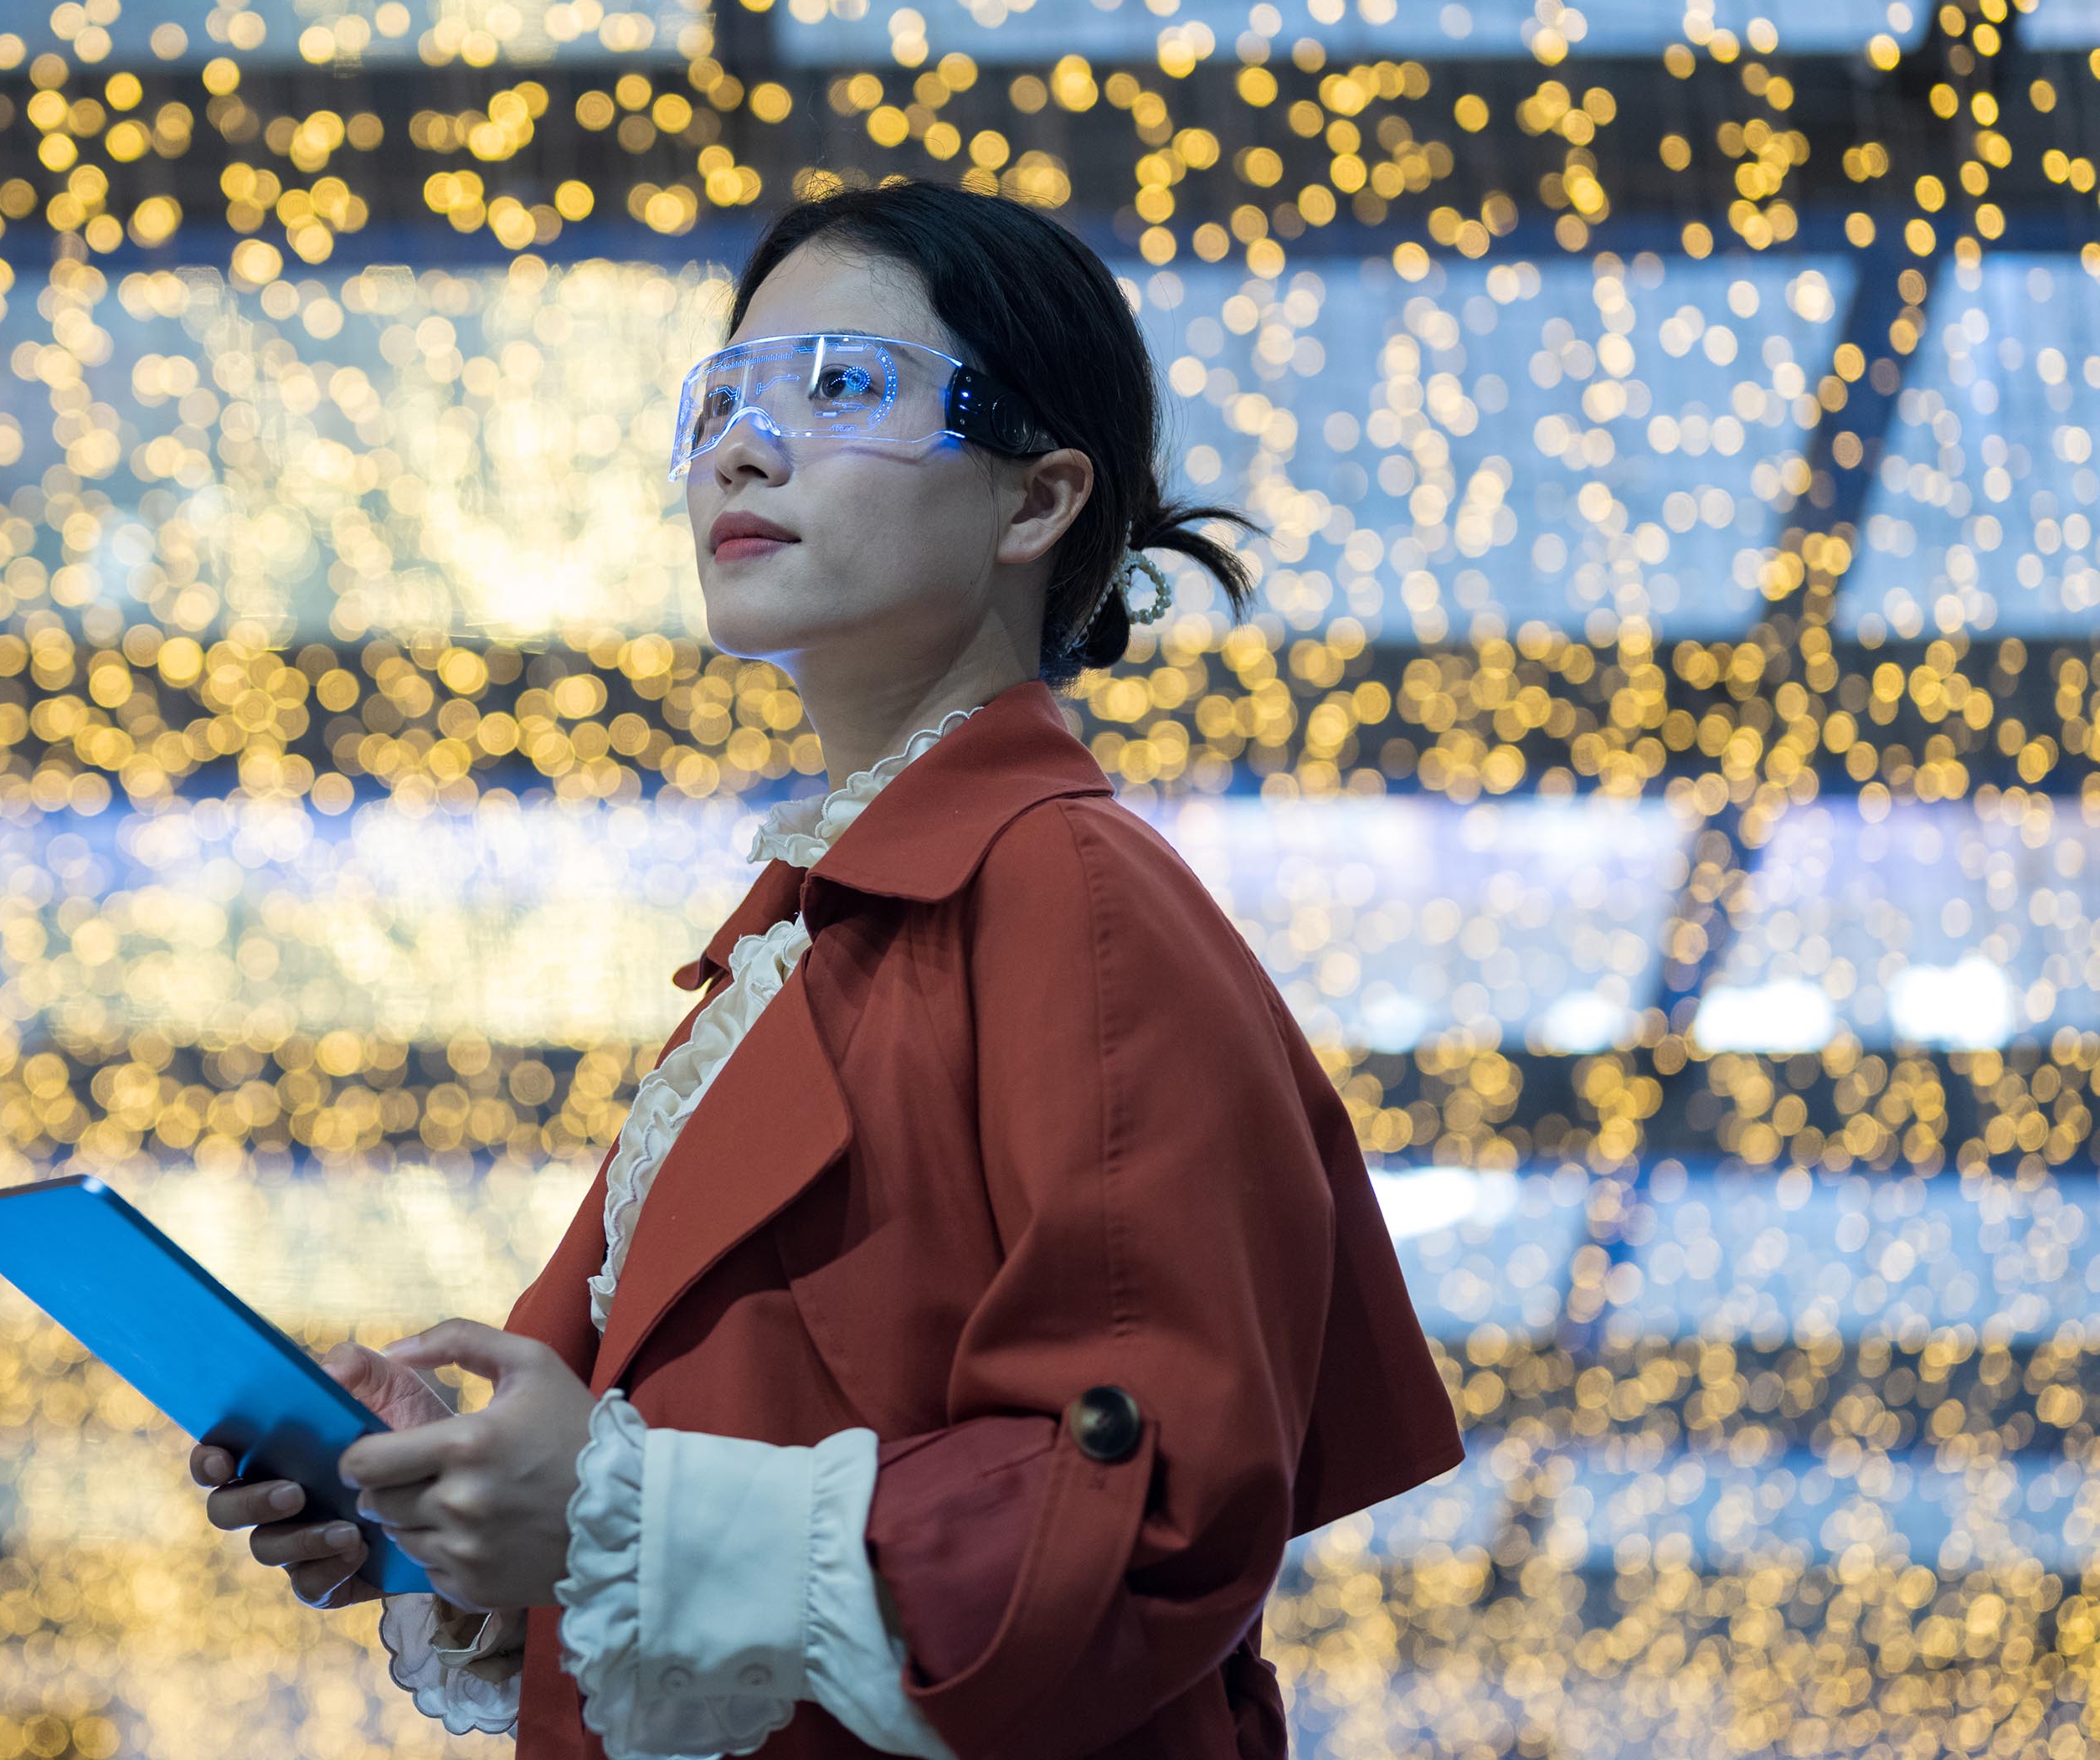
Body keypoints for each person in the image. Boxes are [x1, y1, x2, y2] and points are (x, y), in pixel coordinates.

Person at [189, 182, 1464, 1758]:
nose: (738, 445)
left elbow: (1147, 1495)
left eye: (843, 384)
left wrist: (606, 1520)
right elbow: (713, 1495)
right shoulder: (818, 939)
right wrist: (455, 1504)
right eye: (721, 396)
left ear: (1035, 500)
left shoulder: (1067, 890)